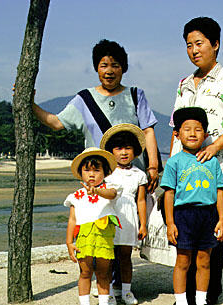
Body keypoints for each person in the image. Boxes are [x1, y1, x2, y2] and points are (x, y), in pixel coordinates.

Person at [169, 17, 223, 305]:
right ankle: (186, 296)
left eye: (199, 43)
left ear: (215, 44)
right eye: (189, 45)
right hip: (185, 176)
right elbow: (175, 130)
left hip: (218, 174)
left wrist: (214, 146)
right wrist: (171, 167)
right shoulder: (183, 84)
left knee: (214, 237)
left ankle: (209, 294)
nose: (193, 50)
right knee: (185, 238)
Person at [31, 39, 160, 192]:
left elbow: (148, 132)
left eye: (115, 65)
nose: (109, 71)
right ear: (97, 68)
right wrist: (30, 103)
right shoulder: (84, 99)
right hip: (98, 181)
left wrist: (153, 167)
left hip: (134, 179)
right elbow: (56, 123)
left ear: (123, 69)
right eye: (104, 65)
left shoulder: (135, 95)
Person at [161, 107, 223, 305]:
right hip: (183, 216)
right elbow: (169, 193)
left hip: (208, 215)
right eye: (186, 129)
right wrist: (170, 223)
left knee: (204, 260)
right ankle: (181, 301)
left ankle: (201, 300)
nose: (192, 133)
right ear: (177, 134)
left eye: (198, 129)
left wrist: (222, 219)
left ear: (205, 135)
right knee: (183, 260)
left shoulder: (212, 162)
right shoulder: (174, 162)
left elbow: (220, 191)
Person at [64, 147, 119, 305]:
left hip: (104, 237)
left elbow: (112, 194)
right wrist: (69, 243)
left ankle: (104, 302)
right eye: (87, 170)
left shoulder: (107, 190)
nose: (92, 174)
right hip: (84, 237)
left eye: (96, 170)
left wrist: (96, 191)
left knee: (104, 273)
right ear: (81, 173)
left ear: (105, 172)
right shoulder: (76, 196)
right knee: (85, 272)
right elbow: (72, 220)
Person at [100, 124, 148, 305]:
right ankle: (109, 293)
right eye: (119, 148)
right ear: (111, 151)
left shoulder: (139, 174)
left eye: (128, 148)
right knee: (108, 259)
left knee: (126, 257)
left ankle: (127, 292)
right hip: (109, 217)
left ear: (135, 151)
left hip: (129, 218)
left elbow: (141, 201)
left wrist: (143, 224)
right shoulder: (106, 173)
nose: (123, 152)